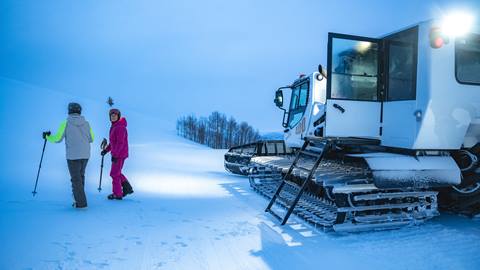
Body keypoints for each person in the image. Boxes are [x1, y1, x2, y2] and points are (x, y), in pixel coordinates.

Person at [43, 102, 94, 208]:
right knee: (80, 177)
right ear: (79, 111)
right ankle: (79, 198)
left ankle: (81, 203)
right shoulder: (87, 123)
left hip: (72, 156)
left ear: (69, 111)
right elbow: (91, 138)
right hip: (85, 155)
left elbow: (57, 139)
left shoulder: (65, 123)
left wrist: (47, 137)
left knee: (76, 179)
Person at [101, 108, 133, 200]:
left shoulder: (120, 127)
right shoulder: (115, 126)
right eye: (112, 115)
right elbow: (113, 143)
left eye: (115, 115)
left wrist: (115, 155)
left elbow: (120, 143)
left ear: (118, 116)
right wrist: (106, 150)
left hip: (119, 154)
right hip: (118, 153)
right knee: (116, 172)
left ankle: (117, 194)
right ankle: (127, 187)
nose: (113, 117)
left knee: (114, 174)